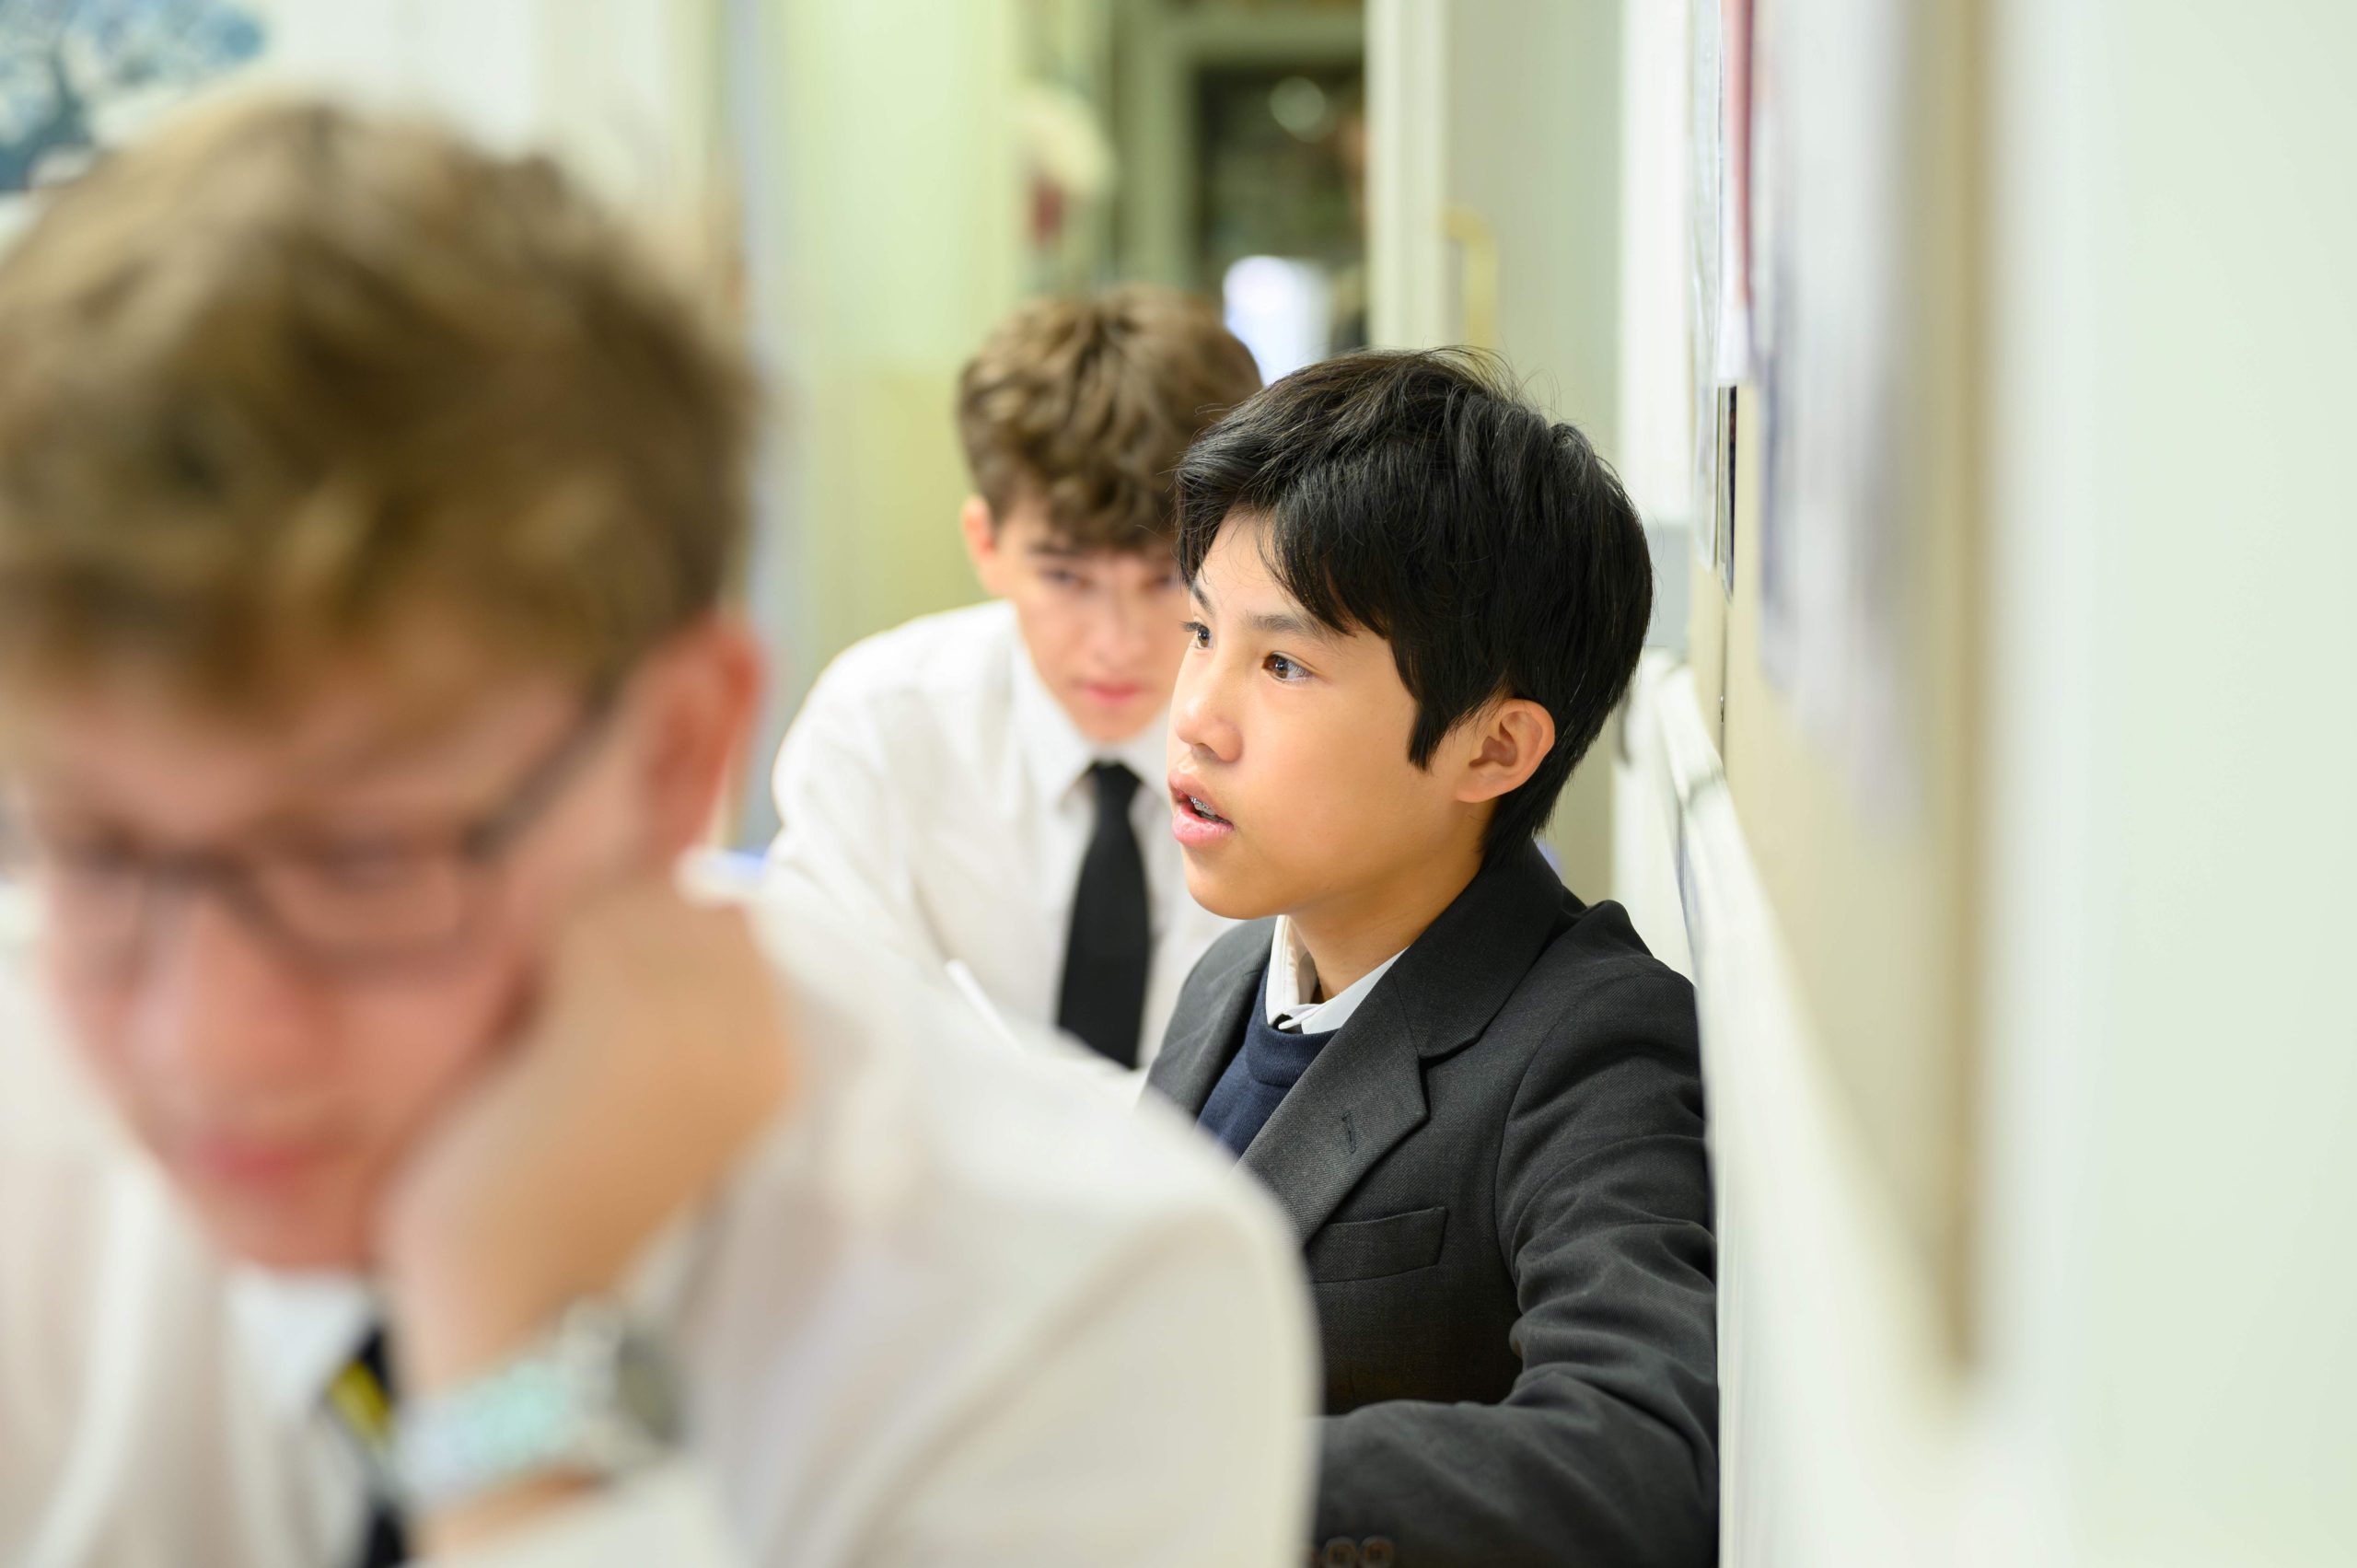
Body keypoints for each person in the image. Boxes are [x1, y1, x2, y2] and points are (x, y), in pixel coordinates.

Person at [0, 98, 1315, 1568]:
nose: (206, 1039)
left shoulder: (1078, 1297)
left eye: (356, 862)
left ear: (678, 750)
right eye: (92, 852)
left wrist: (523, 1391)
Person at [1146, 350, 1718, 1567]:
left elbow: (1644, 1451)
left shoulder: (1594, 1041)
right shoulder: (1234, 971)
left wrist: (1190, 1474)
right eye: (1201, 629)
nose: (1196, 709)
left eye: (1282, 662)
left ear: (1493, 748)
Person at [769, 288, 1260, 1073]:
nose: (1117, 643)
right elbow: (832, 1054)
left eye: (1167, 577)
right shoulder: (878, 728)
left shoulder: (1304, 745)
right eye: (1066, 577)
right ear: (986, 542)